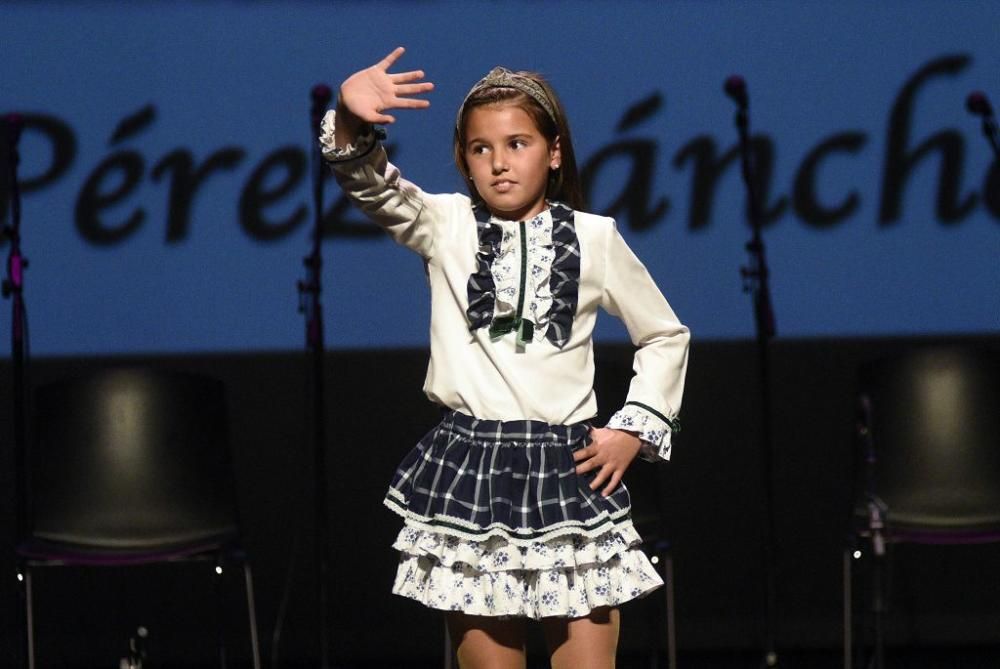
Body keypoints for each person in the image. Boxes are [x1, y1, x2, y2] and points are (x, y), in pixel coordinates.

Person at [320, 47, 689, 669]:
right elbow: (374, 189)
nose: (498, 163)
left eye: (517, 144)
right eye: (480, 149)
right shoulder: (446, 225)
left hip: (570, 472)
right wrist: (351, 121)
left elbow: (664, 334)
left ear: (554, 152)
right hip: (474, 469)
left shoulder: (594, 238)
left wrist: (633, 429)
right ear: (464, 160)